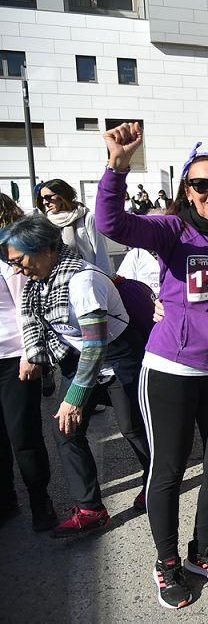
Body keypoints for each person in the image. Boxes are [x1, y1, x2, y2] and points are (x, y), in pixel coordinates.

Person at [95, 123, 208, 609]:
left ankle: (204, 551)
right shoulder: (171, 229)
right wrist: (118, 165)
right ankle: (166, 562)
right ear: (188, 192)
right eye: (201, 185)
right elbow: (112, 225)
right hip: (171, 371)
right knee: (169, 470)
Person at [0, 215, 151, 538]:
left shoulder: (83, 281)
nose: (16, 270)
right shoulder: (42, 282)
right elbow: (41, 325)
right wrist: (34, 354)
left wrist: (75, 398)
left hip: (117, 356)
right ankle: (90, 509)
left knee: (133, 429)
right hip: (80, 360)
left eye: (20, 260)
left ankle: (155, 482)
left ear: (44, 249)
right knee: (65, 430)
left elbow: (95, 344)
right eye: (11, 263)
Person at [0, 194, 56, 532]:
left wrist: (31, 353)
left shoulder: (10, 255)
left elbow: (28, 306)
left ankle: (40, 500)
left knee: (23, 435)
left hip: (12, 358)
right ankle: (5, 502)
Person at [36, 179, 112, 274]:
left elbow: (101, 253)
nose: (45, 202)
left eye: (48, 197)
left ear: (62, 195)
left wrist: (106, 279)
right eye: (42, 198)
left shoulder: (87, 218)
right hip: (60, 277)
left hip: (88, 275)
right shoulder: (46, 222)